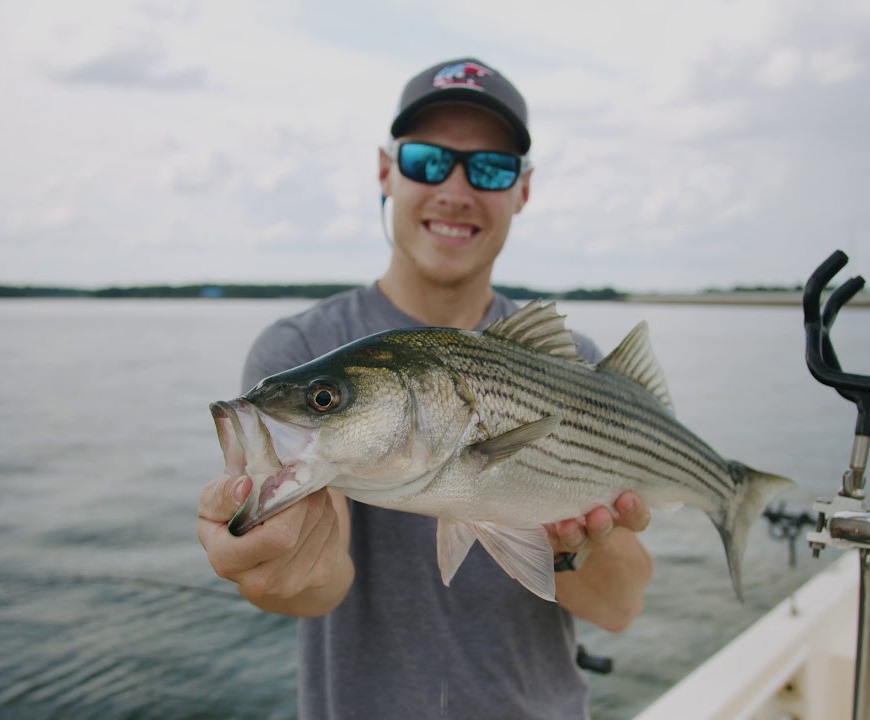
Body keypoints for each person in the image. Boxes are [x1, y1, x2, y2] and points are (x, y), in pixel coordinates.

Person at [197, 57, 653, 719]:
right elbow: (320, 582)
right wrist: (278, 565)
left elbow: (621, 606)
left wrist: (573, 547)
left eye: (490, 168)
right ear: (385, 171)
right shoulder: (298, 352)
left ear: (523, 190)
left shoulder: (572, 365)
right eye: (426, 161)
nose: (455, 190)